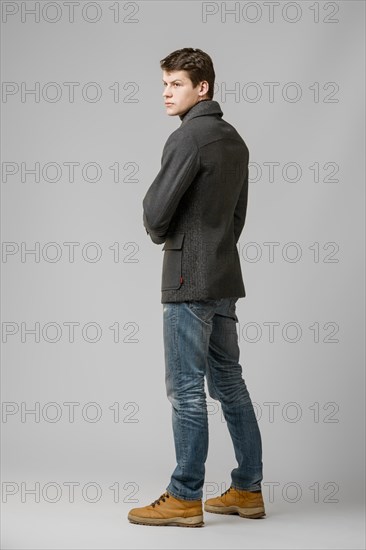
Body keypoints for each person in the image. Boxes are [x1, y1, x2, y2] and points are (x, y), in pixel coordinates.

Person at [127, 47, 265, 527]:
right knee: (229, 383)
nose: (167, 93)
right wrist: (216, 252)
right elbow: (237, 217)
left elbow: (154, 212)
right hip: (223, 277)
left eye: (176, 84)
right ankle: (248, 489)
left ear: (202, 87)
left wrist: (164, 233)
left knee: (185, 390)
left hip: (187, 280)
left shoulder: (189, 138)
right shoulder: (234, 140)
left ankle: (184, 495)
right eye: (164, 84)